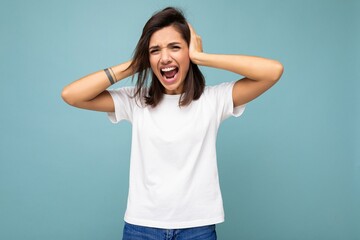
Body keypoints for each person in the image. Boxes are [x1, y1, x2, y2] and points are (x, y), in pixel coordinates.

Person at [61, 6, 283, 240]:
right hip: (141, 227)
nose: (165, 58)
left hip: (198, 228)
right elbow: (72, 95)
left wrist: (202, 57)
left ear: (189, 50)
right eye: (155, 50)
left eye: (175, 47)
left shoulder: (213, 99)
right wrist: (134, 65)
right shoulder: (136, 101)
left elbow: (273, 71)